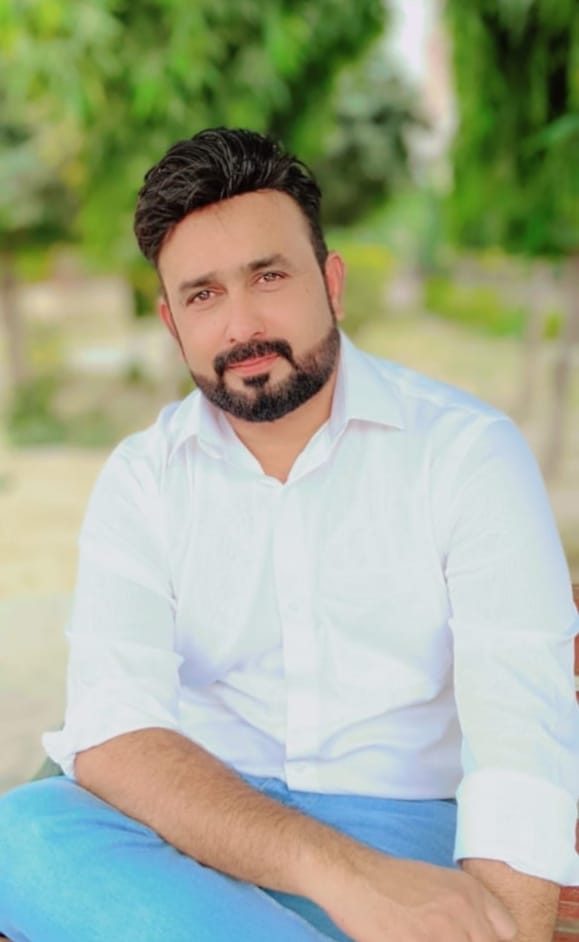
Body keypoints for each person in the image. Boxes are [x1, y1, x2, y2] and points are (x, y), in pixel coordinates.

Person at [0, 128, 577, 942]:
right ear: (172, 323)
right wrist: (333, 872)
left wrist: (495, 927)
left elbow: (522, 745)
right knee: (17, 837)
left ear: (331, 283)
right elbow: (114, 730)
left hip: (408, 840)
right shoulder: (142, 479)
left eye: (267, 277)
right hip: (203, 833)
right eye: (203, 296)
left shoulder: (466, 454)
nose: (241, 325)